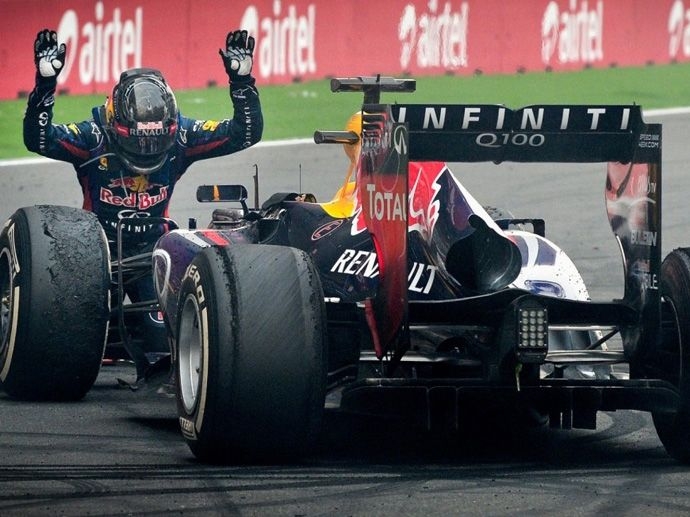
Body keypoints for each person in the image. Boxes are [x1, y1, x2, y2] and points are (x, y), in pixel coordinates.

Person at [24, 28, 263, 379]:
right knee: (65, 340)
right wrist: (45, 85)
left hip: (153, 253)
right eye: (138, 142)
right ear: (115, 123)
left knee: (164, 341)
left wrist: (241, 81)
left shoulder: (182, 135)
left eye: (154, 143)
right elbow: (39, 139)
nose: (147, 150)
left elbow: (244, 134)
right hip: (93, 254)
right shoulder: (93, 136)